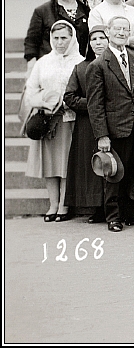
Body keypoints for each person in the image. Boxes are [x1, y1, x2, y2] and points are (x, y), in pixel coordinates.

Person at [87, 16, 134, 232]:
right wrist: (102, 135)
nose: (121, 33)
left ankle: (133, 213)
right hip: (115, 129)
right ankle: (113, 217)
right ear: (108, 31)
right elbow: (95, 105)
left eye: (125, 30)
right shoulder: (98, 65)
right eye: (116, 29)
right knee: (115, 174)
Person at [21, 19, 82, 221]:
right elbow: (30, 91)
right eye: (55, 38)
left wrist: (67, 103)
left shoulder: (79, 62)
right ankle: (52, 204)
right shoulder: (43, 62)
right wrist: (44, 103)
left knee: (64, 163)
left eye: (64, 38)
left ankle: (64, 205)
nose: (60, 42)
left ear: (72, 38)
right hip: (46, 119)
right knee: (49, 164)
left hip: (69, 119)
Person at [63, 25, 109, 222]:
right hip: (88, 124)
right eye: (94, 39)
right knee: (94, 166)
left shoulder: (115, 64)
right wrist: (93, 105)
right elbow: (70, 97)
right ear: (89, 44)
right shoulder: (81, 68)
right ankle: (96, 207)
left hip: (114, 122)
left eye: (102, 38)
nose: (98, 43)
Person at [27, 0, 91, 62]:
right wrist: (31, 66)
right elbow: (31, 42)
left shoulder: (86, 11)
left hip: (78, 66)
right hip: (50, 66)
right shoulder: (42, 11)